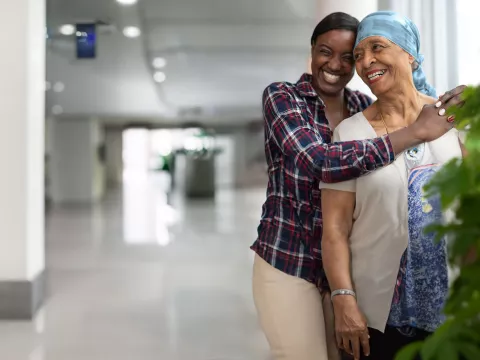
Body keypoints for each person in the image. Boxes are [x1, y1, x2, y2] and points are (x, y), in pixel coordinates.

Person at [319, 11, 467, 360]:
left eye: (377, 47)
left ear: (411, 54)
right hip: (376, 316)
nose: (366, 61)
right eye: (358, 55)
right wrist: (344, 300)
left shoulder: (454, 118)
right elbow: (336, 230)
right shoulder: (350, 134)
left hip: (454, 312)